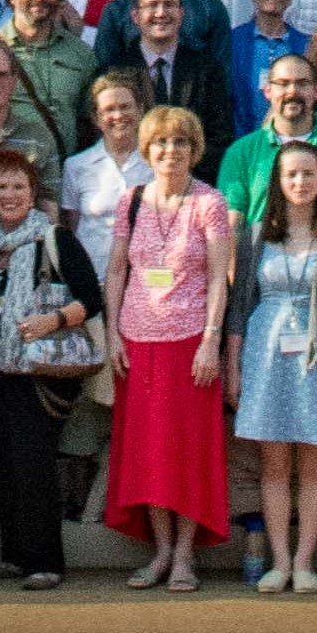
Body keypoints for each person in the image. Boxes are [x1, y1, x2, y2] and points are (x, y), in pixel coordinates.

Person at [93, 109, 235, 592]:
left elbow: (220, 276)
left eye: (179, 143)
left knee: (187, 453)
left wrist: (211, 340)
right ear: (146, 150)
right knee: (149, 454)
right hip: (138, 343)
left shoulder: (209, 203)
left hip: (190, 344)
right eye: (159, 143)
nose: (169, 152)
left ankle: (184, 556)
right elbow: (116, 271)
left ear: (194, 149)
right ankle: (160, 551)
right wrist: (112, 333)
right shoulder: (130, 201)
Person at [228, 141, 317, 595]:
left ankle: (306, 560)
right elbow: (238, 308)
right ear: (278, 182)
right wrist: (234, 367)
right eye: (291, 175)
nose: (300, 183)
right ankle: (279, 561)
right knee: (273, 466)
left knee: (313, 464)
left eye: (308, 174)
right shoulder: (254, 236)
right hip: (265, 355)